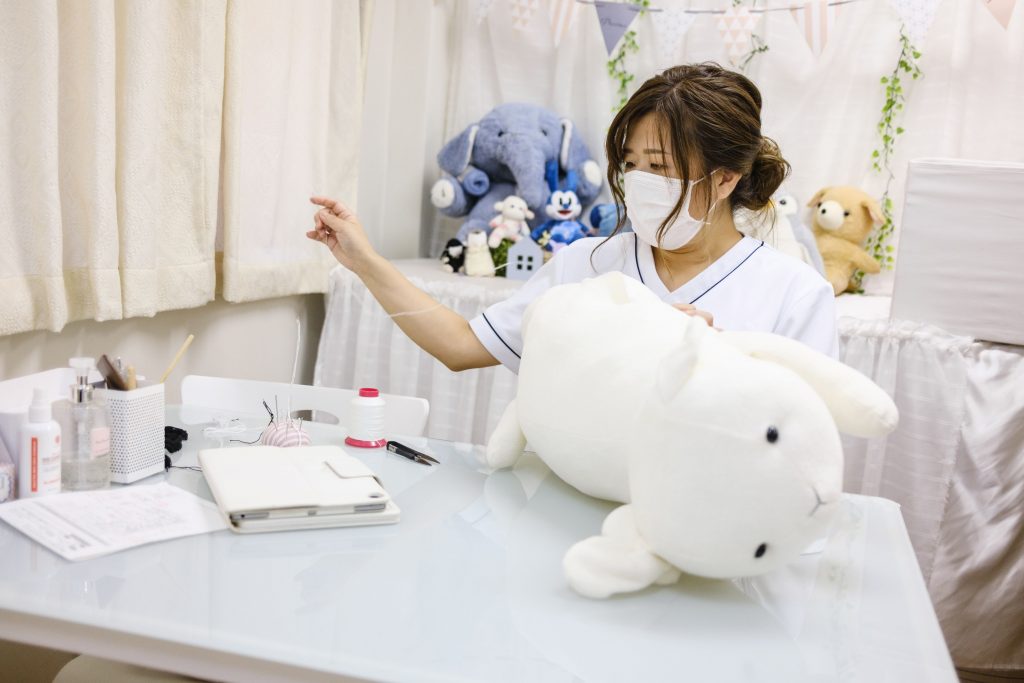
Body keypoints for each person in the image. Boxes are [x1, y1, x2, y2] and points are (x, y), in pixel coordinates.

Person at [307, 63, 837, 374]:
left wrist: (707, 360)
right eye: (630, 163)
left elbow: (798, 437)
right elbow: (462, 346)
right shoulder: (588, 261)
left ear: (724, 179)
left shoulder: (793, 292)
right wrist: (364, 260)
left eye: (661, 166)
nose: (638, 180)